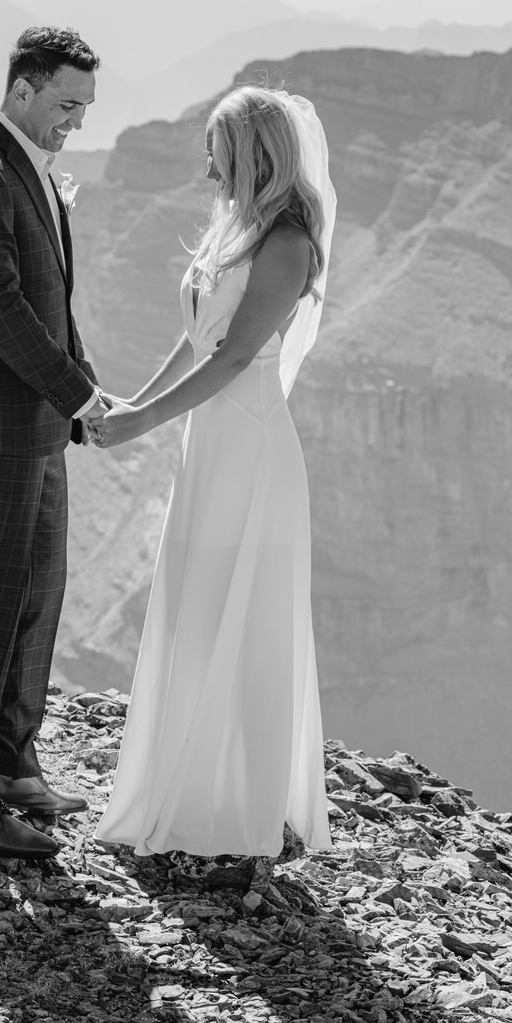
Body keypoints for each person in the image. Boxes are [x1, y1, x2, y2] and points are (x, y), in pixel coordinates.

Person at [89, 85, 336, 858]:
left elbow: (235, 359)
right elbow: (198, 338)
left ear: (251, 156)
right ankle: (192, 784)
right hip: (210, 447)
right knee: (198, 610)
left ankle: (240, 803)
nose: (205, 169)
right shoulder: (237, 227)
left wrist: (143, 422)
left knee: (244, 616)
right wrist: (135, 400)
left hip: (252, 451)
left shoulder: (288, 241)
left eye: (216, 153)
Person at [0, 26, 110, 859]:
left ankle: (13, 766)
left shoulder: (22, 161)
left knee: (39, 597)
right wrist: (80, 395)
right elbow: (1, 311)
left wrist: (81, 395)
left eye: (86, 106)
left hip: (38, 423)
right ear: (25, 88)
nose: (78, 121)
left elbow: (53, 306)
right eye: (68, 103)